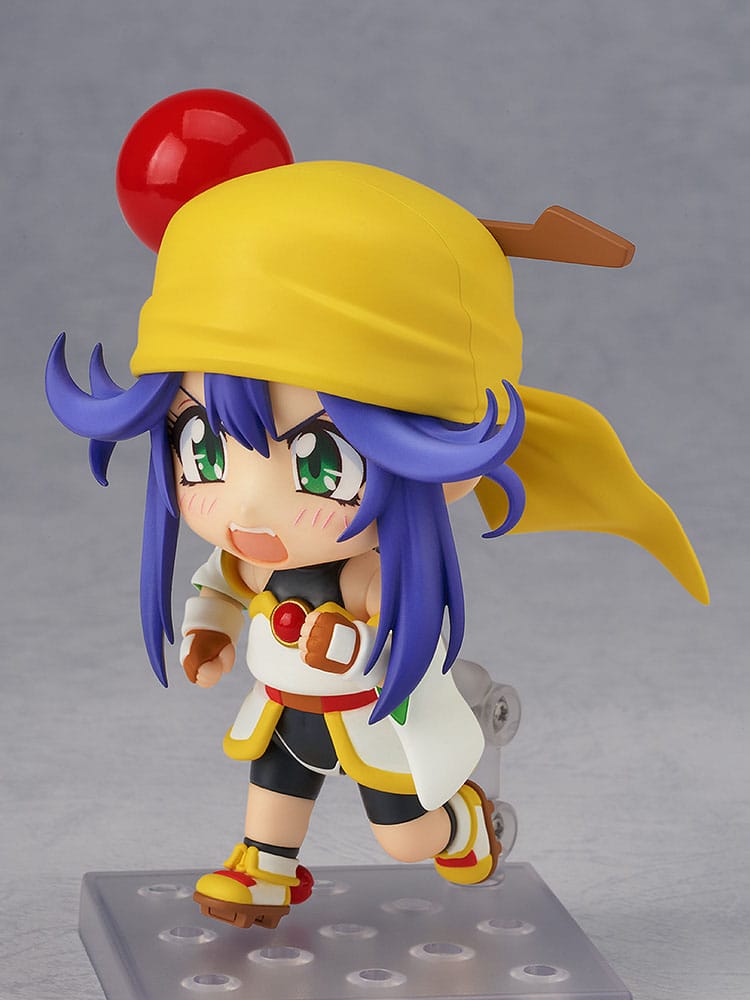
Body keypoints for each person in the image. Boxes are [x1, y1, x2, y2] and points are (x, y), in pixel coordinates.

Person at [46, 95, 708, 929]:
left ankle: (466, 823)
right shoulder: (253, 554)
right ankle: (265, 873)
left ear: (446, 456)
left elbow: (392, 623)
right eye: (202, 449)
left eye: (323, 462)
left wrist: (347, 637)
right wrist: (210, 628)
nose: (247, 502)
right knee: (272, 795)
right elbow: (221, 581)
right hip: (286, 707)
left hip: (374, 716)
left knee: (404, 837)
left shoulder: (372, 571)